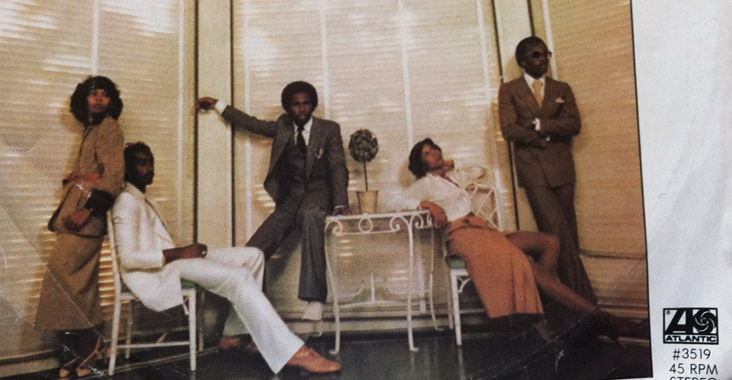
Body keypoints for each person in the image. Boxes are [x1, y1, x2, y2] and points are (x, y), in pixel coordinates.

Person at [113, 142, 341, 374]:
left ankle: (233, 336)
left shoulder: (141, 198)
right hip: (154, 273)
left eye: (151, 162)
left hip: (173, 262)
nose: (149, 168)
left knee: (253, 256)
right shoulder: (126, 202)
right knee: (239, 277)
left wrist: (182, 251)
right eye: (142, 163)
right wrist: (179, 253)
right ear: (127, 169)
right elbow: (128, 259)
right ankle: (292, 352)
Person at [394, 138, 637, 338]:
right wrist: (427, 204)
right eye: (427, 153)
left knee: (550, 242)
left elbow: (480, 170)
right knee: (530, 267)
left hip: (482, 231)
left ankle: (540, 312)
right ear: (421, 163)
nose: (435, 153)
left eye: (434, 149)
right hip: (462, 236)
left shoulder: (455, 177)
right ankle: (605, 320)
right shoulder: (425, 184)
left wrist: (453, 163)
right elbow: (394, 201)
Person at [198, 82, 350, 322]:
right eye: (296, 104)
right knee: (257, 245)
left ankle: (315, 299)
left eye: (306, 103)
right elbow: (252, 123)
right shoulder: (283, 126)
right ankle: (243, 304)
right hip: (291, 197)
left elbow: (338, 167)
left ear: (313, 104)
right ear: (288, 107)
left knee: (311, 215)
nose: (302, 108)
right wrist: (219, 105)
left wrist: (340, 202)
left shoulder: (329, 129)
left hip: (318, 193)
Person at [35, 75, 126, 378]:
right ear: (82, 100)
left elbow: (114, 177)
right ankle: (83, 347)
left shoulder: (109, 127)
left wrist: (88, 210)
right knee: (70, 285)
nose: (99, 99)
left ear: (112, 101)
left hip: (86, 218)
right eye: (93, 94)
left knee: (72, 283)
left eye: (105, 94)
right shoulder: (92, 129)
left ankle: (91, 343)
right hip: (74, 215)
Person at [498, 37, 596, 303]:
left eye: (546, 54)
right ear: (522, 61)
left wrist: (538, 124)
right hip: (533, 171)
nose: (543, 60)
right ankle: (588, 305)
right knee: (556, 232)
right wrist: (550, 134)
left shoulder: (562, 88)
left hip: (563, 169)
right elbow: (510, 129)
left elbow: (574, 125)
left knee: (568, 236)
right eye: (536, 55)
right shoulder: (509, 90)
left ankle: (564, 307)